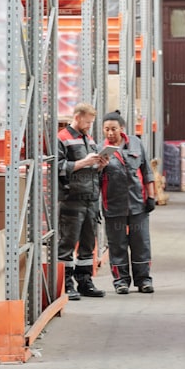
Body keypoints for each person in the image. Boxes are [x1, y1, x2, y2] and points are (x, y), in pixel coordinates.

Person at [100, 111, 157, 294]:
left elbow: (147, 171)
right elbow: (96, 179)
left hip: (137, 204)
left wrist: (151, 196)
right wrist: (99, 166)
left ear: (122, 129)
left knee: (141, 243)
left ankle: (144, 280)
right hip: (113, 205)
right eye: (106, 129)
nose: (110, 133)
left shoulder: (136, 143)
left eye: (113, 129)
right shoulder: (100, 150)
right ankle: (120, 281)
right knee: (117, 245)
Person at [57, 103, 108, 300]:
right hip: (72, 199)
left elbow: (90, 169)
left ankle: (85, 280)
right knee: (68, 242)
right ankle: (66, 283)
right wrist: (84, 162)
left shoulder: (89, 138)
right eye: (87, 122)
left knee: (88, 243)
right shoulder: (62, 138)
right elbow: (58, 167)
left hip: (91, 198)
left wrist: (99, 165)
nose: (89, 125)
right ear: (77, 117)